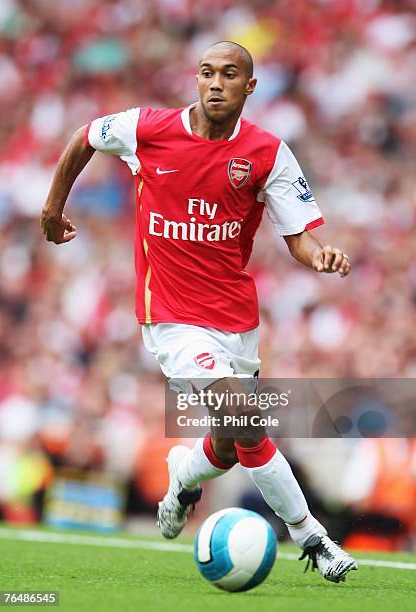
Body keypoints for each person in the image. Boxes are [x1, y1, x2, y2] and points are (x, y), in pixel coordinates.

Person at [41, 41, 356, 583]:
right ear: (196, 79)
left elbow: (298, 236)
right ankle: (314, 538)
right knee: (246, 418)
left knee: (232, 446)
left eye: (229, 75)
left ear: (249, 87)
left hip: (236, 319)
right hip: (170, 318)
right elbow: (84, 136)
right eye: (206, 73)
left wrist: (319, 256)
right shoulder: (149, 128)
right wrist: (52, 209)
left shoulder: (268, 154)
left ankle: (184, 478)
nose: (215, 83)